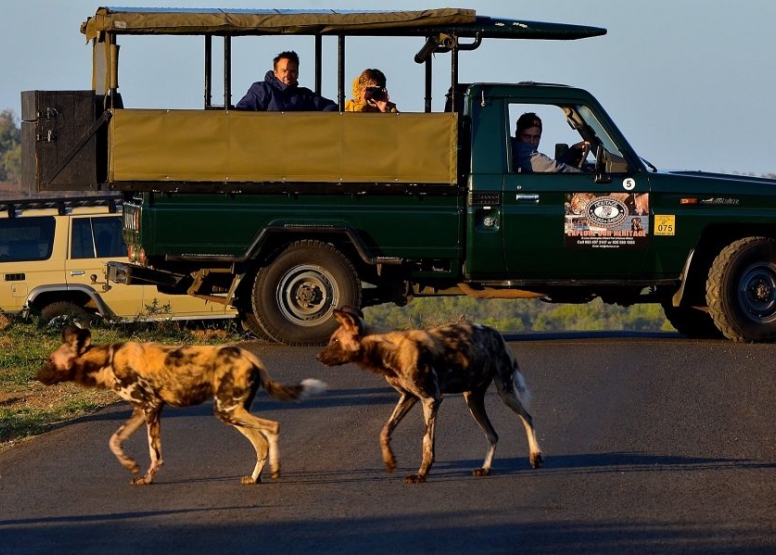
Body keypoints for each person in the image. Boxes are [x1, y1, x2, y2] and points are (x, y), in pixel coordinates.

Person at [235, 50, 337, 112]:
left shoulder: (304, 96)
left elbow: (329, 107)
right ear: (275, 72)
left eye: (292, 71)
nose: (287, 75)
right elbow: (241, 113)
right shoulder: (262, 89)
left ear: (297, 73)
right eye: (284, 71)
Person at [512, 112, 587, 173]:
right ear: (518, 135)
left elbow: (548, 167)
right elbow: (554, 168)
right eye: (527, 137)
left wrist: (573, 151)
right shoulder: (520, 150)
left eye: (536, 137)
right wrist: (585, 178)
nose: (531, 142)